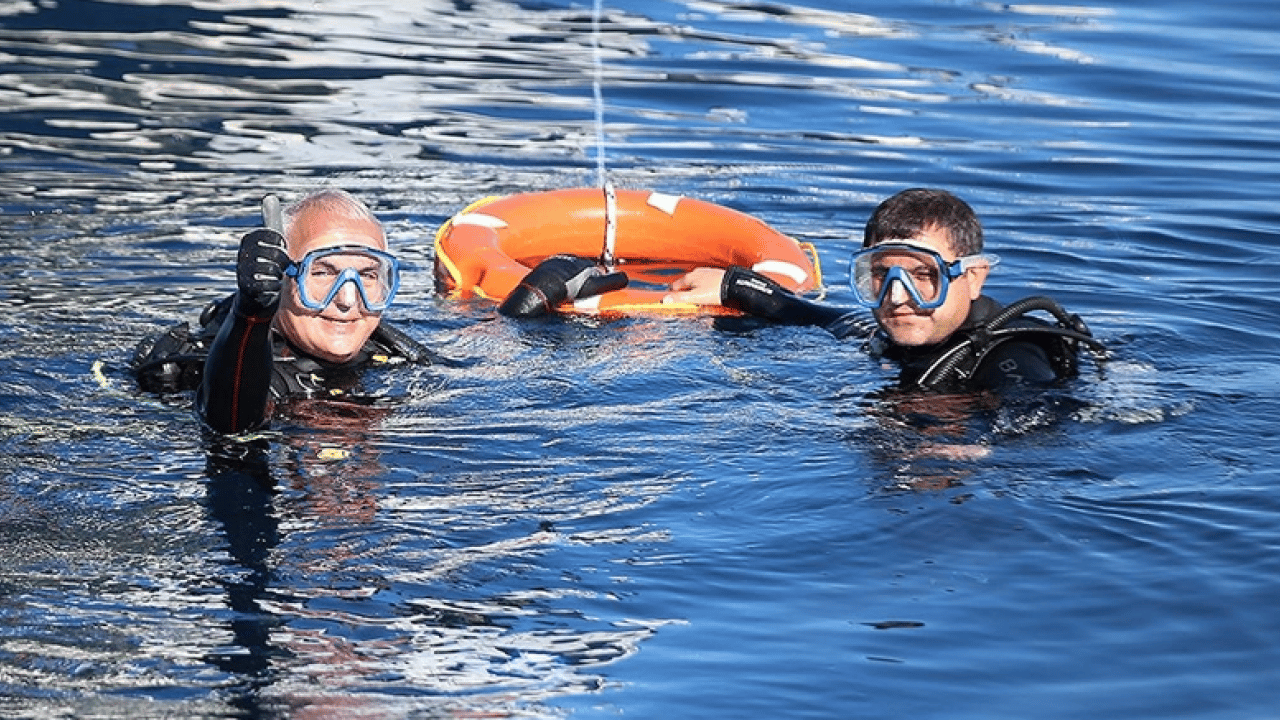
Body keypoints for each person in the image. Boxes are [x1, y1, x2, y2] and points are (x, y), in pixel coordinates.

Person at [131, 190, 619, 434]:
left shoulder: (386, 348)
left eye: (367, 276)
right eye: (324, 273)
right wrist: (249, 315)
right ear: (283, 278)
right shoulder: (240, 356)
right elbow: (232, 424)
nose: (348, 300)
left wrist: (532, 301)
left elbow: (480, 368)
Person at [664, 188, 1104, 392]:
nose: (897, 296)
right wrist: (734, 285)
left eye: (923, 275)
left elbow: (1038, 422)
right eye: (880, 275)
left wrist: (976, 448)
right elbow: (823, 318)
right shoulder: (896, 335)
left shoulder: (1012, 355)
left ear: (973, 278)